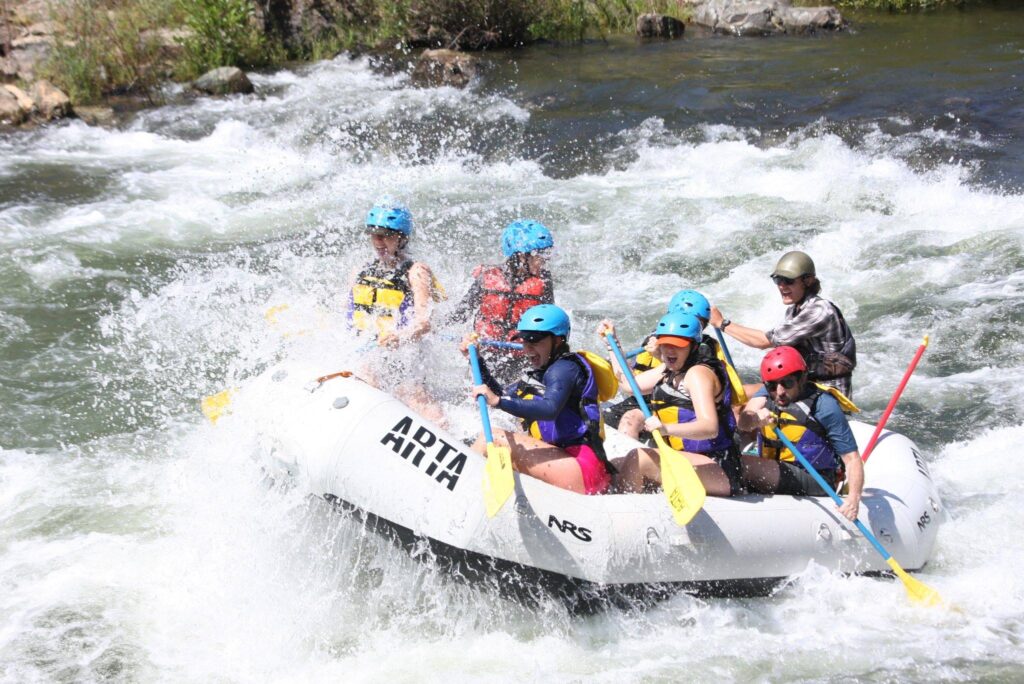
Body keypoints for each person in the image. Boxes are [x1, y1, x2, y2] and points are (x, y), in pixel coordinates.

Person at [461, 304, 614, 495]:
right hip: (567, 464)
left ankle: (459, 497)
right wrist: (477, 361)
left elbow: (550, 408)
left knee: (489, 439)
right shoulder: (541, 373)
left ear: (557, 340)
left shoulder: (565, 369)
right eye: (524, 341)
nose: (527, 349)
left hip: (581, 468)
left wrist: (499, 402)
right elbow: (501, 395)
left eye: (534, 341)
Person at [601, 311, 739, 497]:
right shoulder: (669, 369)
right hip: (684, 458)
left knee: (637, 459)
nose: (669, 350)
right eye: (665, 343)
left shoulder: (698, 374)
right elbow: (629, 385)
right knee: (616, 464)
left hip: (717, 466)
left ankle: (627, 509)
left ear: (694, 346)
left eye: (677, 345)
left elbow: (710, 427)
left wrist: (665, 428)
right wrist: (613, 345)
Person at [347, 198, 446, 422]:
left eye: (385, 235)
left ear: (401, 238)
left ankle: (452, 435)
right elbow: (348, 314)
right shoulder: (360, 271)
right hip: (370, 352)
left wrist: (400, 337)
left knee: (416, 399)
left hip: (405, 353)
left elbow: (424, 322)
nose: (378, 241)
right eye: (374, 235)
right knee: (366, 381)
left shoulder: (416, 272)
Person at [737, 346, 863, 521]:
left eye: (787, 383)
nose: (779, 392)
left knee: (741, 465)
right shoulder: (769, 392)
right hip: (777, 468)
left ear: (802, 378)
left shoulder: (824, 406)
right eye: (772, 385)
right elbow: (744, 422)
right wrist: (755, 418)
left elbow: (852, 458)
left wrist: (853, 499)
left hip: (815, 478)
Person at [708, 251, 858, 397]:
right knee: (735, 396)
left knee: (741, 403)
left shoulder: (819, 310)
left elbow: (764, 341)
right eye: (778, 280)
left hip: (828, 395)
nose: (781, 286)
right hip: (804, 387)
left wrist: (722, 323)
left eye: (788, 281)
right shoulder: (794, 311)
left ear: (807, 281)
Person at [448, 220, 555, 384]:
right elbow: (461, 314)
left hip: (524, 359)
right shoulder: (488, 277)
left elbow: (550, 324)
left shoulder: (544, 281)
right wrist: (434, 327)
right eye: (539, 255)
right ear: (520, 256)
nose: (544, 260)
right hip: (486, 355)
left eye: (546, 254)